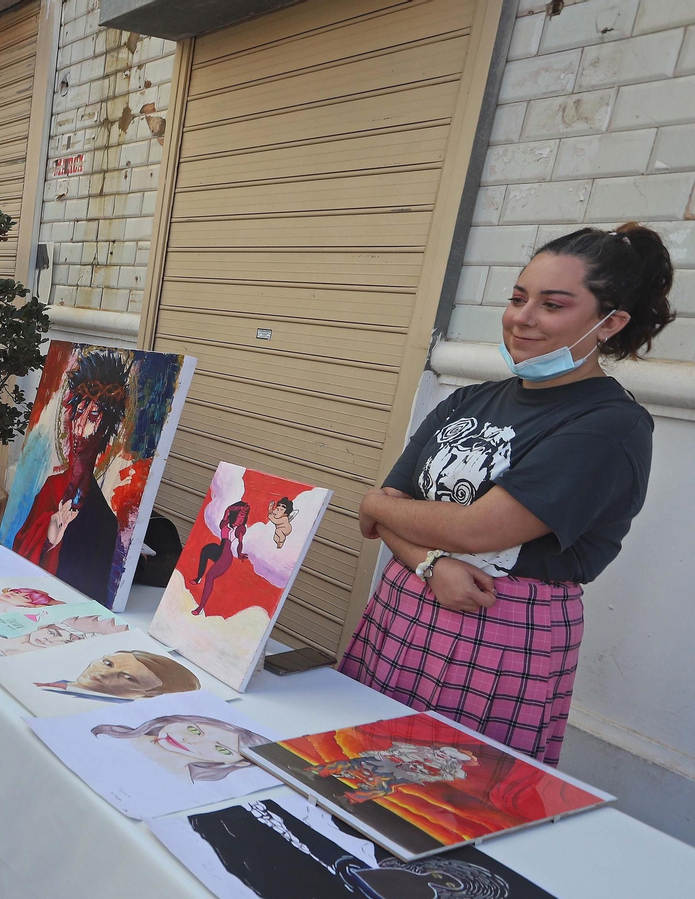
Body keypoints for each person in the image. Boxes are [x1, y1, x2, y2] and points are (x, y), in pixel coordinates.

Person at [347, 223, 674, 767]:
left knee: (444, 790)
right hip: (404, 604)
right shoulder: (469, 400)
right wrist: (428, 561)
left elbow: (478, 529)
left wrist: (376, 504)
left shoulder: (608, 424)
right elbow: (383, 516)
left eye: (553, 305)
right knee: (346, 760)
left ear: (610, 322)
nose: (523, 318)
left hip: (498, 623)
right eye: (519, 298)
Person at [10, 347, 131, 602]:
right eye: (79, 411)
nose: (80, 425)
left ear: (106, 428)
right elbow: (18, 553)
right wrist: (49, 538)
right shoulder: (52, 486)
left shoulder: (105, 519)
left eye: (93, 416)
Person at [92, 715, 270, 783]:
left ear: (240, 763)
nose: (190, 740)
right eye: (194, 730)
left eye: (221, 749)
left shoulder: (183, 784)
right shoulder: (109, 735)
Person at [35, 649, 201, 701]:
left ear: (150, 694)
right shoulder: (59, 684)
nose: (104, 673)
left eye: (128, 677)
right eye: (107, 663)